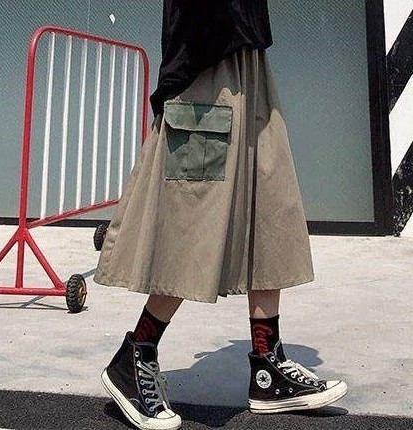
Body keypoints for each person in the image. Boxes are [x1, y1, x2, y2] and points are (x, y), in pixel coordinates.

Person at [93, 1, 347, 429]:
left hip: (251, 62)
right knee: (194, 224)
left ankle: (267, 364)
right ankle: (135, 355)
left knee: (269, 208)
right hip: (205, 70)